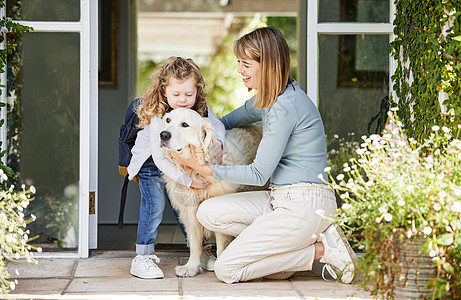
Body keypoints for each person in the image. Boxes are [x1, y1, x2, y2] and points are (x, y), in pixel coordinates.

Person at [171, 27, 357, 284]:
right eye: (239, 62)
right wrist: (207, 135)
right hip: (280, 199)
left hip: (304, 203)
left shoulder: (284, 107)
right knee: (208, 213)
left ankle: (322, 249)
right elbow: (224, 122)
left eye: (246, 64)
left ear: (268, 65)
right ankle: (292, 245)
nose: (239, 70)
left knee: (227, 270)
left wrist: (201, 168)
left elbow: (259, 173)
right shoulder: (269, 98)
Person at [126, 56, 225, 279]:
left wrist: (219, 143)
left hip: (178, 161)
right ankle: (142, 256)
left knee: (187, 204)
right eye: (176, 94)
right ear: (164, 92)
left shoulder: (198, 110)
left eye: (189, 95)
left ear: (197, 93)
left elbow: (218, 125)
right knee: (155, 204)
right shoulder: (157, 114)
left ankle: (200, 251)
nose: (182, 100)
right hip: (151, 162)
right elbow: (160, 158)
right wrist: (188, 180)